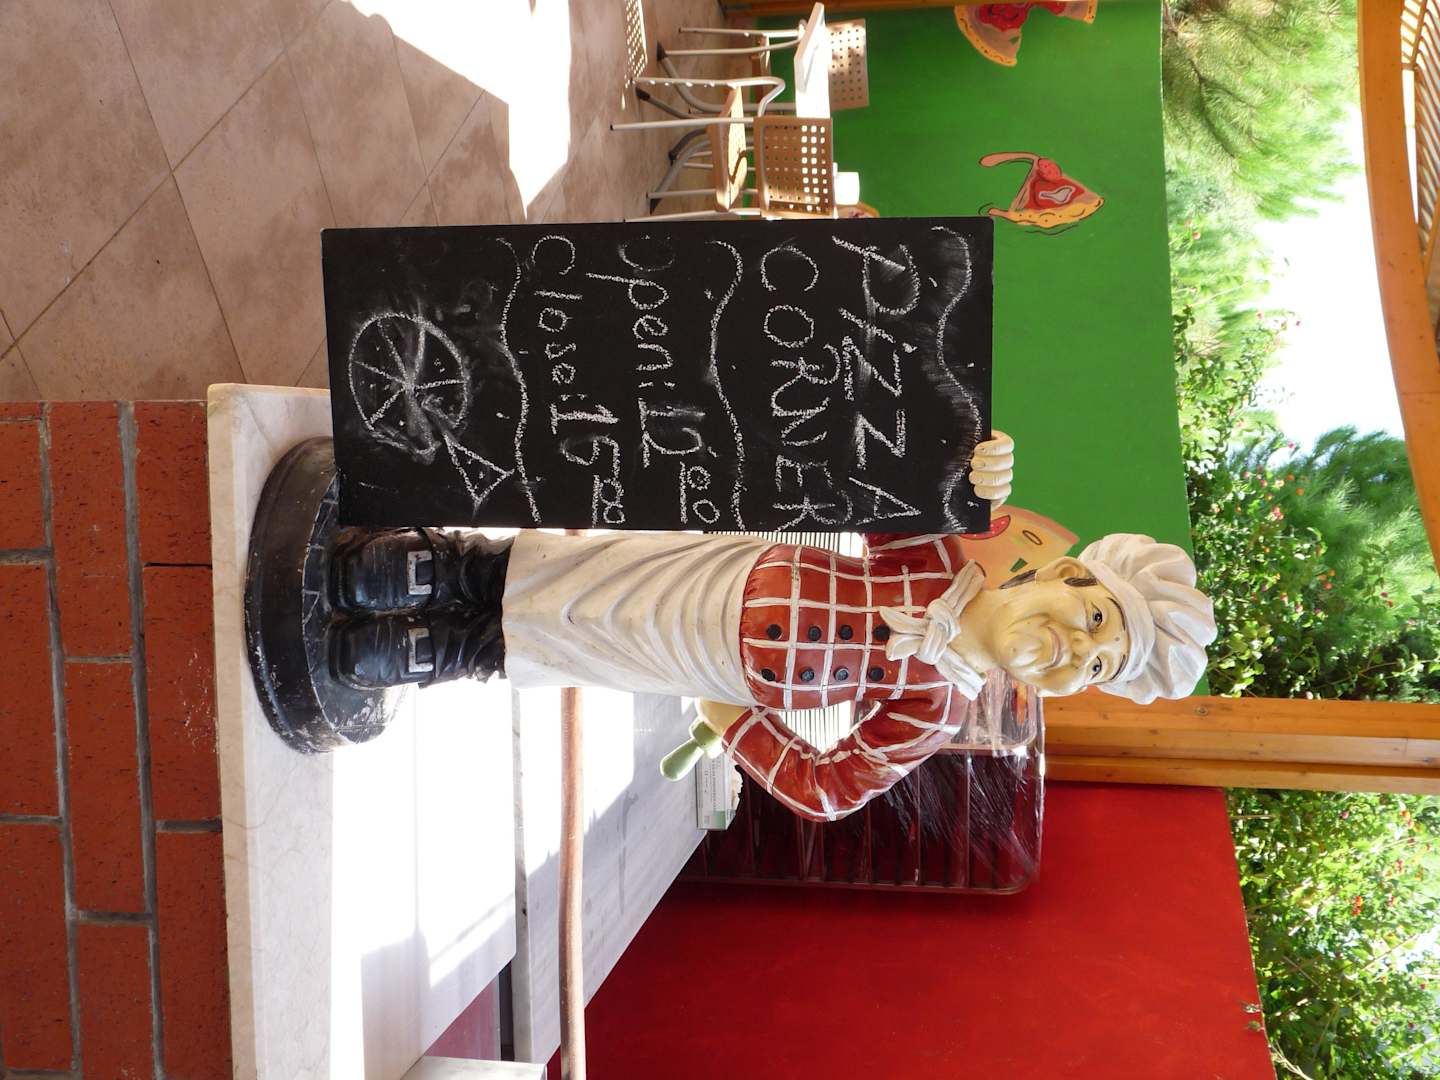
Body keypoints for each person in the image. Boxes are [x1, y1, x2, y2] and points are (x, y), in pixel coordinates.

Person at [326, 433, 1216, 822]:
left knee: (579, 644)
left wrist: (732, 721)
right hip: (714, 572)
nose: (1075, 649)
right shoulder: (938, 554)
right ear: (1064, 573)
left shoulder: (934, 709)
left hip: (709, 664)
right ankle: (449, 567)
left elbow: (831, 790)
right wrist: (971, 461)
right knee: (581, 576)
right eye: (1094, 618)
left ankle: (449, 648)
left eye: (1097, 667)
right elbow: (888, 470)